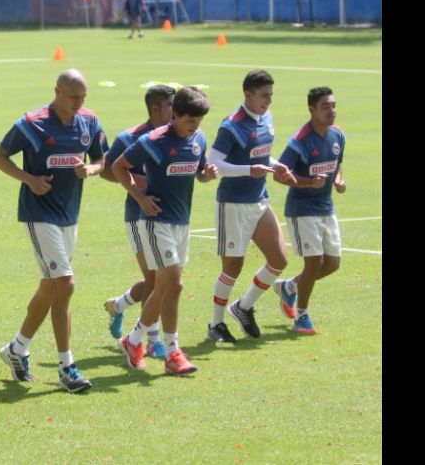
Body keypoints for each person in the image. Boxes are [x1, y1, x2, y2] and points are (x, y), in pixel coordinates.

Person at [0, 68, 107, 393]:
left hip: (69, 215)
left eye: (83, 98)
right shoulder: (32, 124)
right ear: (57, 91)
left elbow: (103, 159)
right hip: (39, 214)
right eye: (73, 97)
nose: (78, 104)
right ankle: (66, 367)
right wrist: (30, 179)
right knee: (65, 284)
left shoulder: (89, 122)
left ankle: (16, 349)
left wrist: (93, 169)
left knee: (50, 287)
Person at [114, 86, 218, 375]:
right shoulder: (154, 140)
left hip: (182, 224)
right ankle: (173, 352)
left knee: (164, 287)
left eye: (199, 121)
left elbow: (197, 169)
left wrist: (205, 175)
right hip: (155, 222)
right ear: (176, 115)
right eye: (190, 121)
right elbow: (119, 166)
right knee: (174, 284)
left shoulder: (199, 139)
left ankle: (133, 341)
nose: (195, 126)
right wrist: (140, 198)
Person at [205, 69, 297, 343]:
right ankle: (215, 324)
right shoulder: (231, 125)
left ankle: (243, 307)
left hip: (259, 200)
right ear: (248, 94)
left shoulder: (266, 118)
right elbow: (214, 163)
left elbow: (262, 154)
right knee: (233, 267)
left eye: (271, 95)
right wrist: (248, 169)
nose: (268, 101)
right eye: (264, 95)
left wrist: (277, 165)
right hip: (232, 205)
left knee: (279, 259)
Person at [100, 84, 175, 359]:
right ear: (155, 109)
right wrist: (140, 184)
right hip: (138, 216)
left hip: (169, 217)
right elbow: (107, 171)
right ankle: (152, 340)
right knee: (156, 280)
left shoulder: (175, 136)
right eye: (171, 106)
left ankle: (118, 305)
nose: (175, 111)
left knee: (161, 279)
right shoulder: (130, 137)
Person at [271, 86, 346, 334]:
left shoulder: (337, 135)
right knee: (314, 262)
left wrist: (338, 179)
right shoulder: (300, 141)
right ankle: (301, 316)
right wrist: (307, 182)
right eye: (325, 107)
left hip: (326, 207)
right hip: (301, 208)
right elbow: (280, 176)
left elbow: (337, 163)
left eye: (333, 105)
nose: (331, 111)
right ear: (312, 110)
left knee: (332, 263)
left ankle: (290, 287)